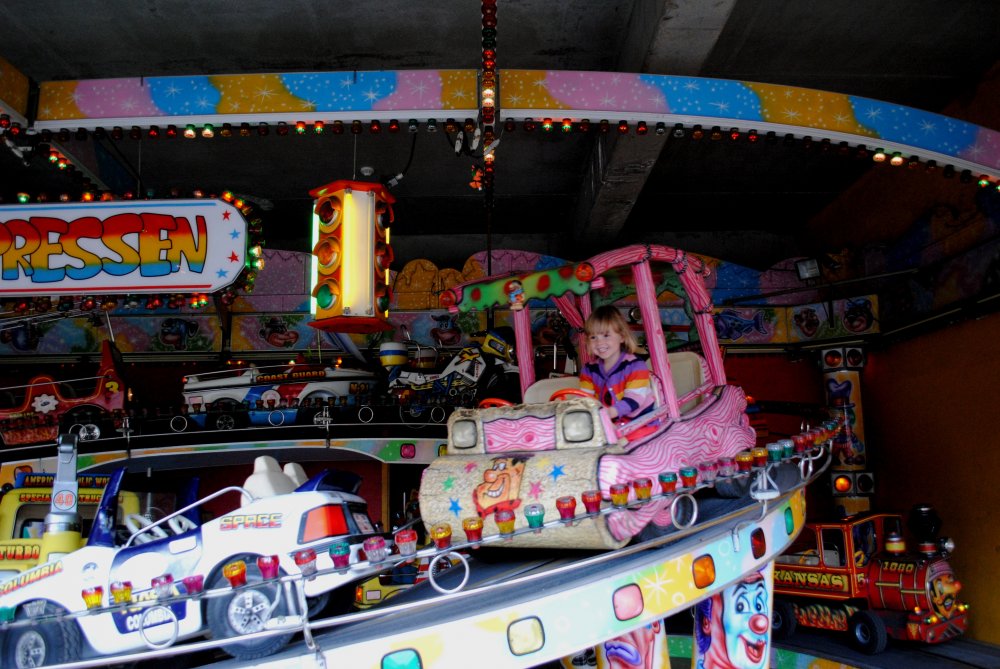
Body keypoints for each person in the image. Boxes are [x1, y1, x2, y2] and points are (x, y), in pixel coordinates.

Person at [579, 305, 654, 422]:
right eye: (593, 337)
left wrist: (610, 413)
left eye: (606, 335)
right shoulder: (589, 369)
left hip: (639, 420)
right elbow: (585, 398)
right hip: (608, 420)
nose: (599, 342)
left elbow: (634, 399)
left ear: (622, 337)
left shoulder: (636, 366)